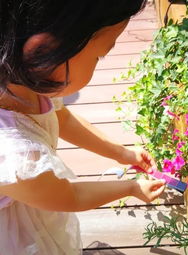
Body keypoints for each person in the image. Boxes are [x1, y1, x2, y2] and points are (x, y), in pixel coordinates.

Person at [0, 1, 166, 254]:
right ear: (44, 51)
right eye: (99, 55)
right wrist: (131, 187)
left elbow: (61, 118)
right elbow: (69, 196)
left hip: (36, 196)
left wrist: (122, 154)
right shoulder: (12, 155)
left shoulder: (24, 82)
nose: (98, 60)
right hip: (16, 235)